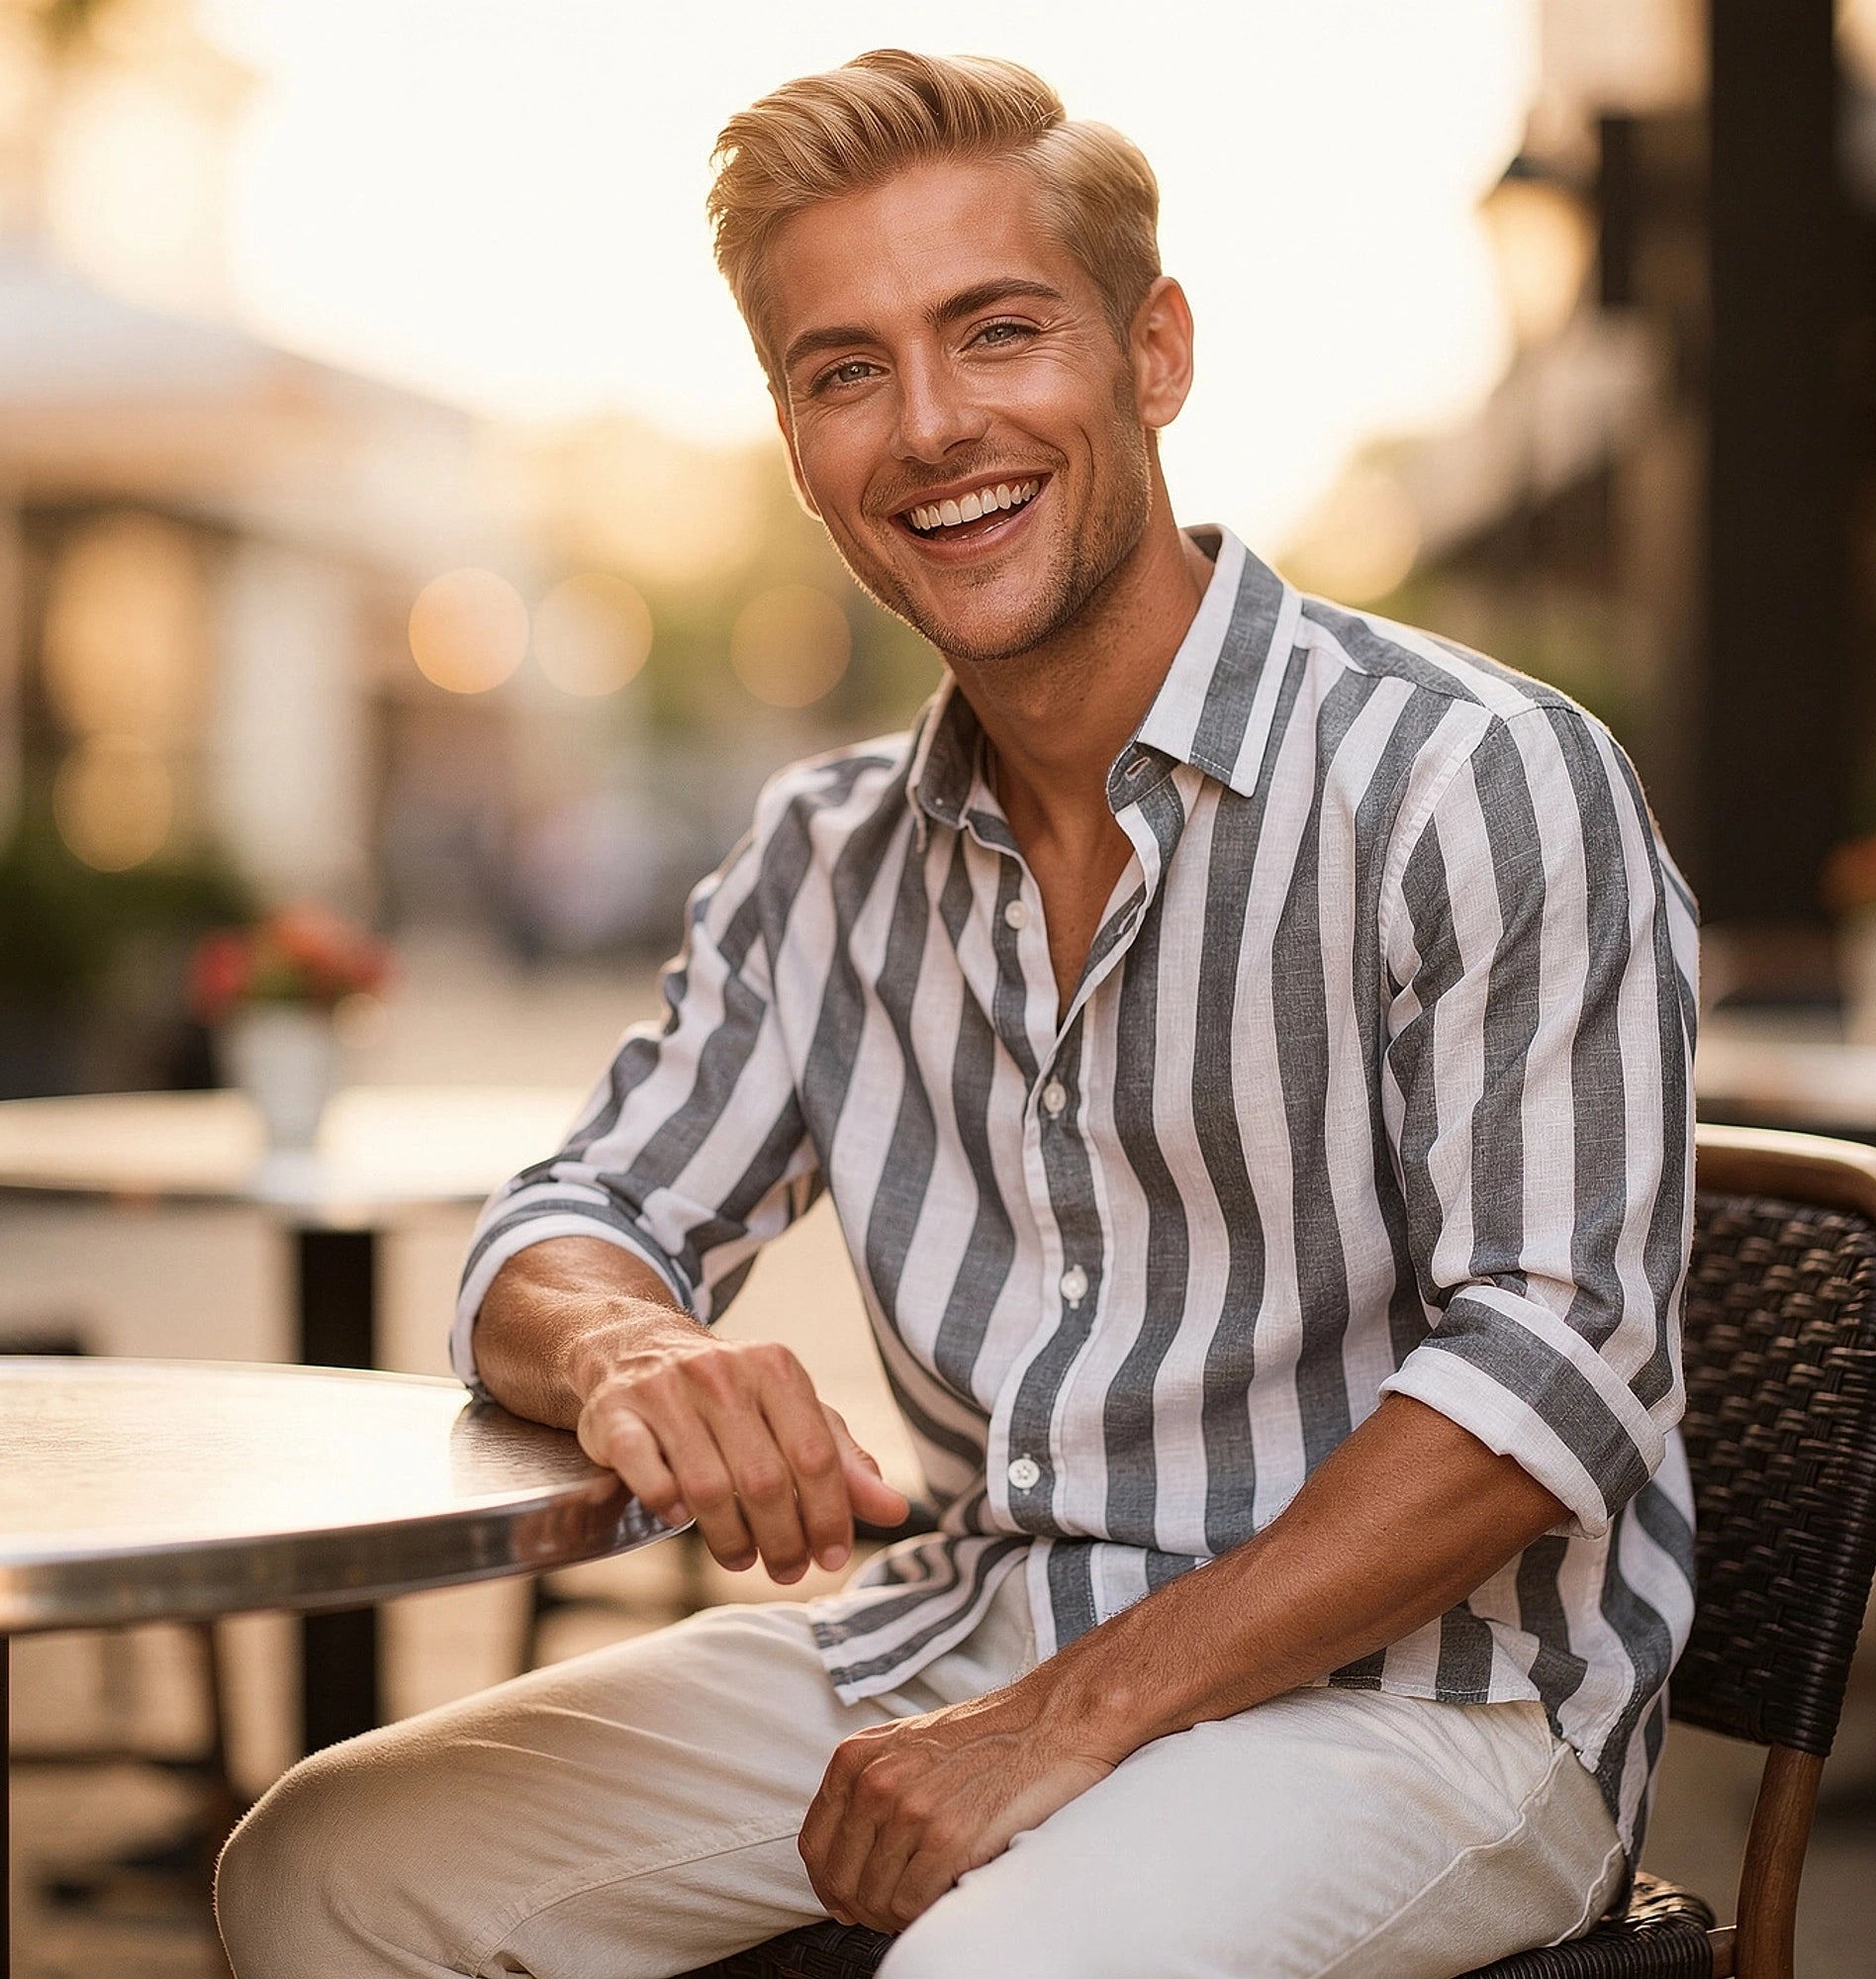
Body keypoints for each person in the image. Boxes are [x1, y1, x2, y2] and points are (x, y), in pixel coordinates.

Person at [215, 48, 1699, 1979]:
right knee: (324, 1867)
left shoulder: (1472, 777)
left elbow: (1554, 1370)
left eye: (997, 331)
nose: (928, 426)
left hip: (1437, 1705)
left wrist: (1060, 1725)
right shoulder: (823, 852)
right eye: (845, 370)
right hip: (966, 1628)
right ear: (795, 437)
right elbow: (569, 1221)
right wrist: (628, 1349)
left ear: (1153, 352)